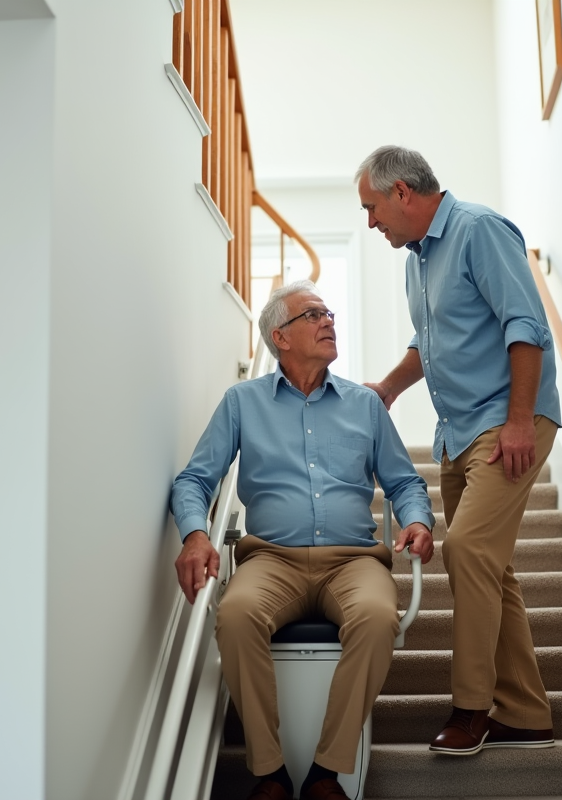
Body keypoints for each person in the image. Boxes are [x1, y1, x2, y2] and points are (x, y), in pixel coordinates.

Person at [172, 281, 434, 800]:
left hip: (354, 561)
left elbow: (405, 483)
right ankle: (269, 773)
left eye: (329, 312)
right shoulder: (242, 402)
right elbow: (194, 480)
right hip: (271, 559)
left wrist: (417, 521)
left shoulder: (365, 404)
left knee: (377, 618)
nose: (328, 320)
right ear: (280, 337)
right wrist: (196, 534)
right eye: (313, 314)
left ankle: (325, 774)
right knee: (235, 615)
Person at [356, 145, 562, 755]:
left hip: (506, 422)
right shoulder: (416, 261)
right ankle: (526, 713)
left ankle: (472, 709)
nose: (370, 222)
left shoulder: (479, 230)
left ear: (401, 192)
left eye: (372, 207)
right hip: (458, 432)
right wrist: (387, 389)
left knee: (467, 548)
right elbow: (429, 340)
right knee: (489, 567)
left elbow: (526, 326)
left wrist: (520, 420)